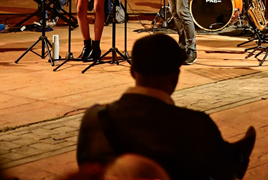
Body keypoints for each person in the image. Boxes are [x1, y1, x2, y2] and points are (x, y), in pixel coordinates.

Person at [76, 33, 256, 180]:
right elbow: (223, 173)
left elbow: (86, 167)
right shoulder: (195, 125)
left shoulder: (95, 118)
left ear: (132, 71)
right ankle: (237, 156)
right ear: (176, 76)